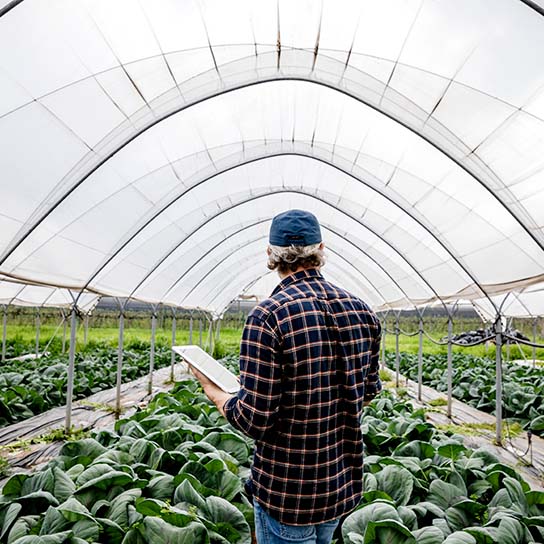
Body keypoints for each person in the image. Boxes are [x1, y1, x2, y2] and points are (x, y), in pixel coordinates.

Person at [191, 209, 382, 544]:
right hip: (340, 485)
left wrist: (214, 391)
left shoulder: (267, 316)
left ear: (270, 254)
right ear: (322, 249)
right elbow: (366, 392)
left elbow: (254, 420)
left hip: (287, 494)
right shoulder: (363, 311)